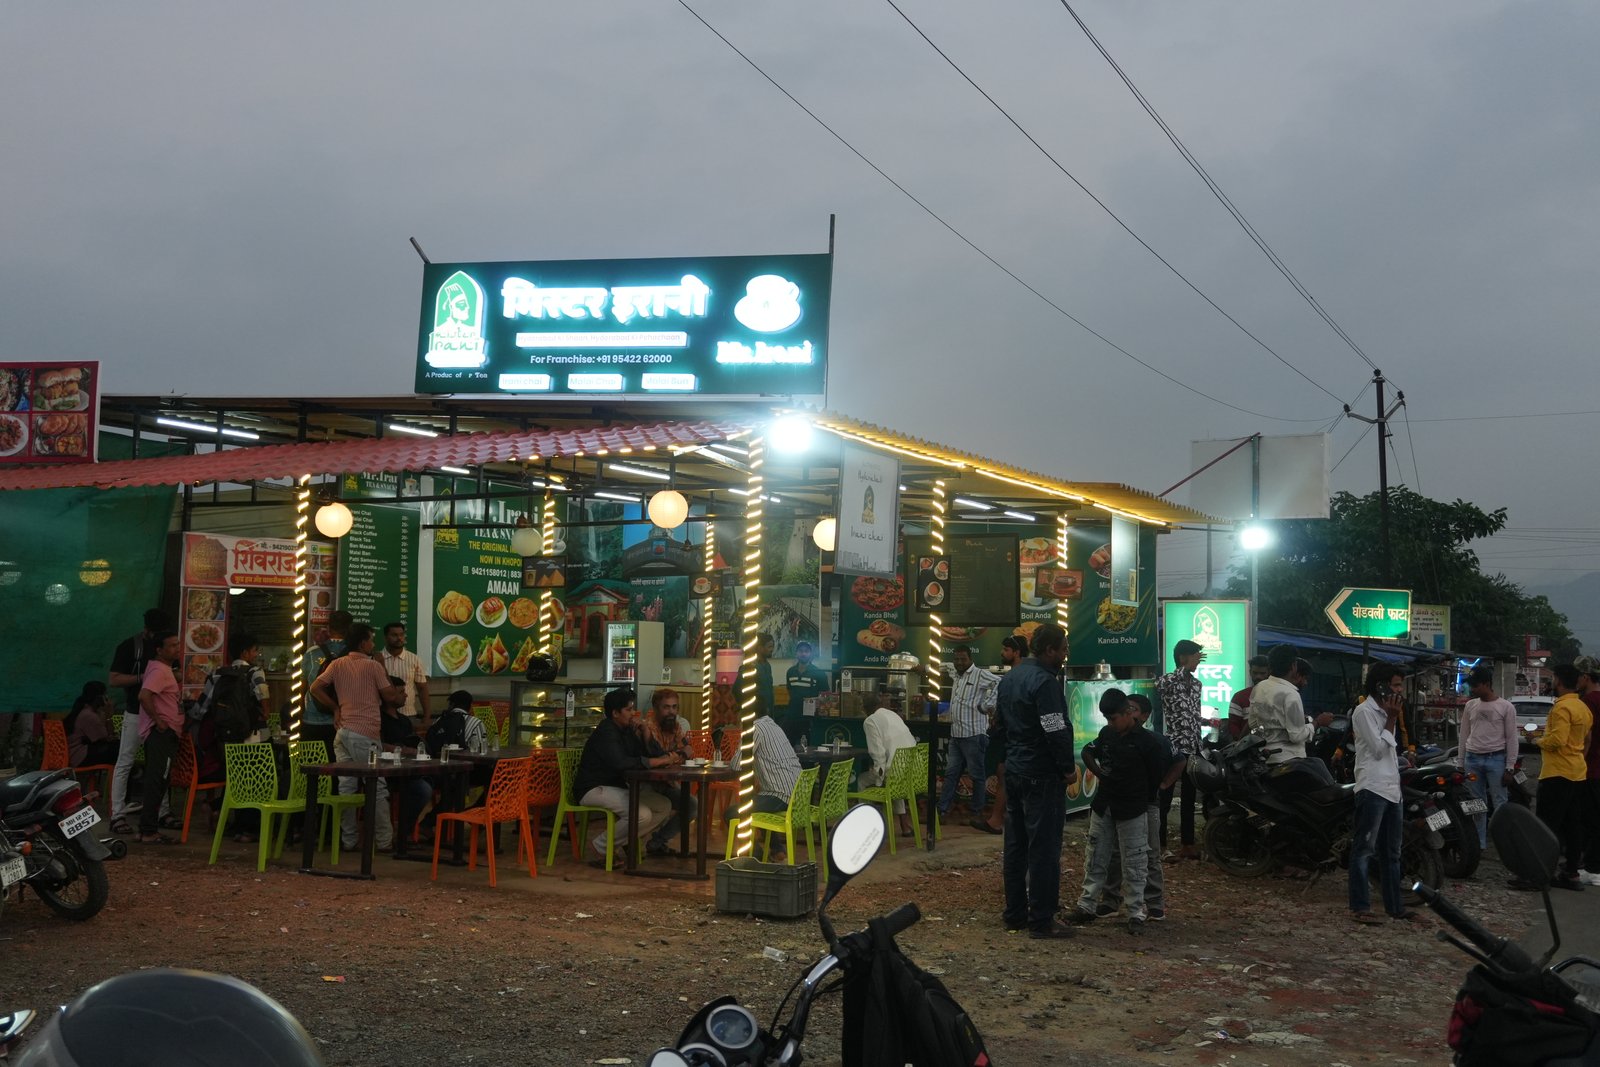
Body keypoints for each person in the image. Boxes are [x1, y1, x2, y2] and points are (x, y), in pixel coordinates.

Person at [1068, 689, 1174, 934]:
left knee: (1135, 861)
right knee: (1096, 856)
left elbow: (1156, 775)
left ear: (1128, 713)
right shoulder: (1108, 733)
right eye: (1107, 718)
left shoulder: (1149, 742)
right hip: (1105, 803)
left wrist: (1145, 797)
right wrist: (1099, 772)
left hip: (1133, 806)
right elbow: (1088, 752)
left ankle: (1135, 911)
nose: (1110, 723)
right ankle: (1087, 905)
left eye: (1113, 718)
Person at [996, 622, 1078, 939]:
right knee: (1043, 850)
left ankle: (1015, 914)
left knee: (1015, 847)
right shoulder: (1045, 682)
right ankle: (1042, 920)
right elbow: (1054, 729)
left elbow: (998, 725)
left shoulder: (1010, 678)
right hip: (1041, 774)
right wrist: (1068, 768)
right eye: (1063, 650)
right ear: (1049, 650)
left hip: (1015, 770)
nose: (1065, 655)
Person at [309, 623, 403, 855]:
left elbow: (315, 688)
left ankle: (349, 840)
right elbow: (391, 697)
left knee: (347, 787)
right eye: (371, 639)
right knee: (377, 787)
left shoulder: (337, 664)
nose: (373, 644)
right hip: (365, 733)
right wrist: (383, 668)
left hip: (342, 733)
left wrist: (335, 708)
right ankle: (384, 841)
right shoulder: (373, 666)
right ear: (363, 643)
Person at [1091, 693, 1183, 922]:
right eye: (1128, 708)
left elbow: (1179, 760)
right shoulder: (1111, 735)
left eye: (1134, 709)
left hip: (1146, 805)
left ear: (1144, 715)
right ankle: (1110, 900)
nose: (1130, 713)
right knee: (1114, 854)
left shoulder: (1155, 741)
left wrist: (1163, 785)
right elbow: (1091, 752)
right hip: (1118, 803)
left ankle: (1154, 904)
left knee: (1148, 854)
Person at [572, 688, 674, 864]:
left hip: (616, 787)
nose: (633, 713)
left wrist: (646, 733)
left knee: (663, 805)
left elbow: (650, 755)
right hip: (593, 788)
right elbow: (621, 762)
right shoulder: (606, 732)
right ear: (615, 713)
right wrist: (655, 762)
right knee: (642, 815)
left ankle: (625, 841)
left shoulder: (627, 730)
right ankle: (601, 846)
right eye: (629, 709)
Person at [1348, 663, 1417, 925]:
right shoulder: (1364, 712)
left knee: (1392, 853)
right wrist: (1391, 719)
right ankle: (1360, 906)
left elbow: (1390, 750)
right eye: (1396, 685)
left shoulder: (1389, 712)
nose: (1400, 691)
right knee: (1364, 849)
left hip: (1391, 787)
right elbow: (1378, 749)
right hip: (1372, 787)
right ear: (1382, 686)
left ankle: (1395, 907)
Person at [107, 607, 171, 831]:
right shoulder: (130, 647)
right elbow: (114, 679)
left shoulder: (169, 648)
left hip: (160, 713)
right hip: (136, 712)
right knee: (126, 761)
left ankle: (162, 812)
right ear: (147, 631)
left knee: (159, 765)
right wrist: (143, 677)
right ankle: (117, 814)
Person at [401, 690, 488, 850]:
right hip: (463, 773)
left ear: (451, 705)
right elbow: (482, 751)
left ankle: (430, 823)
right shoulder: (476, 723)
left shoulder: (439, 721)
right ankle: (476, 812)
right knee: (494, 778)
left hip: (436, 772)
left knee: (454, 787)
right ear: (470, 706)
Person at [1535, 663, 1592, 891]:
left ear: (1558, 680)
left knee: (1546, 825)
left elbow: (1557, 740)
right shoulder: (1582, 707)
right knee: (1572, 826)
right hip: (1577, 772)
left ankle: (1540, 873)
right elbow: (1587, 739)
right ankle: (1571, 873)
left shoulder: (1561, 708)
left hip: (1556, 773)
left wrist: (1537, 740)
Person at [938, 645, 998, 830]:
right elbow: (942, 666)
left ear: (970, 659)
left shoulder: (979, 674)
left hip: (974, 735)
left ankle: (976, 813)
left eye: (963, 659)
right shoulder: (955, 672)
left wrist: (987, 704)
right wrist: (921, 667)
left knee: (977, 776)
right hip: (956, 735)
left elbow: (1000, 683)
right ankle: (942, 811)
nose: (959, 662)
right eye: (956, 659)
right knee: (951, 774)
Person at [1458, 666, 1518, 849]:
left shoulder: (1506, 707)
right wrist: (1460, 762)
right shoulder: (1470, 705)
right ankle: (1479, 844)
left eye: (1475, 685)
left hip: (1496, 759)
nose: (1472, 689)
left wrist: (1510, 767)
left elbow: (1512, 738)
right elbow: (1464, 734)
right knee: (1476, 804)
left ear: (1486, 684)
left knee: (1500, 803)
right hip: (1472, 759)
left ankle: (1504, 844)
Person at [1156, 638, 1205, 860]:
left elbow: (1193, 714)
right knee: (1165, 797)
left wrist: (1207, 722)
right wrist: (1183, 668)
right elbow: (1159, 686)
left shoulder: (1197, 685)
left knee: (1189, 798)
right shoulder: (1167, 681)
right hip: (1173, 747)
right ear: (1183, 657)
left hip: (1193, 746)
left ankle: (1187, 844)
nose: (1198, 661)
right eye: (1195, 657)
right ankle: (1160, 846)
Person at [1247, 643, 1335, 765]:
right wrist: (1317, 722)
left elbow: (1252, 723)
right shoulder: (1290, 694)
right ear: (1293, 666)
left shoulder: (1259, 687)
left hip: (1263, 758)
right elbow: (1297, 736)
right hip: (1288, 761)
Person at [136, 630, 184, 846]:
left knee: (158, 780)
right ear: (159, 650)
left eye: (177, 644)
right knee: (157, 780)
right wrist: (158, 721)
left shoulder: (163, 669)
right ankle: (148, 830)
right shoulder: (159, 670)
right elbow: (144, 695)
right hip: (161, 734)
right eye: (172, 645)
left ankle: (146, 829)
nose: (177, 649)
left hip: (164, 732)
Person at [979, 635, 1030, 834]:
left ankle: (1001, 820)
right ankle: (997, 819)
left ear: (1016, 652)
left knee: (1007, 775)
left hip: (1015, 735)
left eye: (1006, 650)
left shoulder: (1019, 677)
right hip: (1009, 734)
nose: (1002, 653)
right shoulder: (1015, 676)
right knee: (1003, 774)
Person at [641, 688, 698, 857]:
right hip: (645, 783)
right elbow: (659, 758)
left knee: (692, 805)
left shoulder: (676, 727)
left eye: (674, 707)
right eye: (666, 707)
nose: (671, 712)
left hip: (666, 782)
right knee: (666, 805)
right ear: (656, 708)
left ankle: (658, 842)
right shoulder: (648, 728)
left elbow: (688, 750)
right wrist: (677, 756)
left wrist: (676, 756)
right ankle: (630, 843)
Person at [861, 692, 917, 835]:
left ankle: (864, 826)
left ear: (864, 709)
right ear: (880, 704)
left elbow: (877, 753)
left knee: (862, 781)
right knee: (893, 774)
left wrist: (879, 780)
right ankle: (904, 825)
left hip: (895, 773)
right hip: (911, 771)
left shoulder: (870, 721)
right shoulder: (893, 715)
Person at [301, 610, 352, 752]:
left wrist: (301, 716)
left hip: (312, 719)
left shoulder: (311, 653)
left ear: (329, 628)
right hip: (345, 722)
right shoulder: (356, 654)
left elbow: (303, 687)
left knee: (312, 763)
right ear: (350, 629)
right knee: (341, 764)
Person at [1575, 657, 1600, 887]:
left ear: (1585, 677)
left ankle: (1592, 868)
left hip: (1590, 769)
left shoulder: (1588, 702)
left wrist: (1578, 763)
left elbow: (1586, 739)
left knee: (1590, 820)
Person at [378, 621, 430, 732]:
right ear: (386, 637)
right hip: (382, 715)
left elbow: (422, 689)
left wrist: (427, 716)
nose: (399, 638)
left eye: (401, 635)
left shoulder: (414, 659)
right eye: (394, 635)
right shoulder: (376, 659)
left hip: (408, 714)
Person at [782, 640, 829, 743]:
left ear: (811, 653)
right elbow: (790, 690)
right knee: (787, 744)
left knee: (808, 745)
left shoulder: (819, 673)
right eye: (800, 651)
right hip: (792, 715)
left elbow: (825, 694)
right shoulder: (790, 672)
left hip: (810, 718)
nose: (803, 654)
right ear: (796, 653)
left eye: (806, 651)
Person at [66, 681, 118, 768]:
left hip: (74, 755)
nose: (107, 698)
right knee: (117, 748)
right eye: (105, 695)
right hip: (79, 757)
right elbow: (107, 737)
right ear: (99, 698)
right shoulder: (88, 715)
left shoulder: (84, 710)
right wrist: (109, 715)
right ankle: (131, 773)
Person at [1226, 656, 1271, 742]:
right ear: (1250, 672)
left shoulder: (1277, 695)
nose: (1258, 677)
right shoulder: (1239, 697)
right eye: (1255, 673)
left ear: (1269, 673)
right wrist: (1241, 743)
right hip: (1247, 746)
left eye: (1262, 673)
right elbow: (1233, 724)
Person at [752, 633, 776, 729]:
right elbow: (737, 689)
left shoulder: (767, 666)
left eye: (772, 646)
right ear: (760, 648)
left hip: (768, 715)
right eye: (769, 646)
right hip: (755, 716)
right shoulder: (751, 666)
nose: (772, 649)